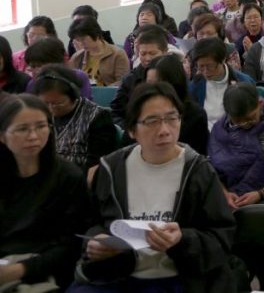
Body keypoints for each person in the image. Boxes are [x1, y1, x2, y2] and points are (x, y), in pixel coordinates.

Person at [71, 82, 236, 293]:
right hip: (116, 275)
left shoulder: (198, 171)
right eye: (152, 121)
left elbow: (222, 239)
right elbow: (91, 223)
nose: (164, 130)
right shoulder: (112, 169)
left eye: (171, 118)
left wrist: (182, 240)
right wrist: (97, 240)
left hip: (178, 278)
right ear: (132, 130)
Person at [0, 94, 91, 290]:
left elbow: (72, 244)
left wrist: (18, 270)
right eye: (22, 129)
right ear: (2, 136)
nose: (33, 136)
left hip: (44, 270)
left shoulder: (68, 177)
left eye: (41, 126)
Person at [30, 65, 117, 169]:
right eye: (45, 103)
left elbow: (99, 161)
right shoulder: (39, 116)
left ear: (74, 96)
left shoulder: (97, 116)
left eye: (58, 103)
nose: (51, 108)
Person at [146, 55, 209, 155]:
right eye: (149, 84)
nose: (152, 89)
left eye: (159, 84)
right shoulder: (141, 111)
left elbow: (197, 157)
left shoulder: (195, 115)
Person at [188, 37, 255, 130]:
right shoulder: (195, 85)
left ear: (223, 60)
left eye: (210, 66)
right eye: (201, 67)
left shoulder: (243, 82)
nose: (205, 71)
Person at [68, 17, 130, 86]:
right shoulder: (77, 57)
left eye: (83, 39)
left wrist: (102, 91)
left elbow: (123, 82)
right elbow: (71, 82)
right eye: (78, 40)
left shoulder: (117, 54)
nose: (81, 43)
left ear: (96, 35)